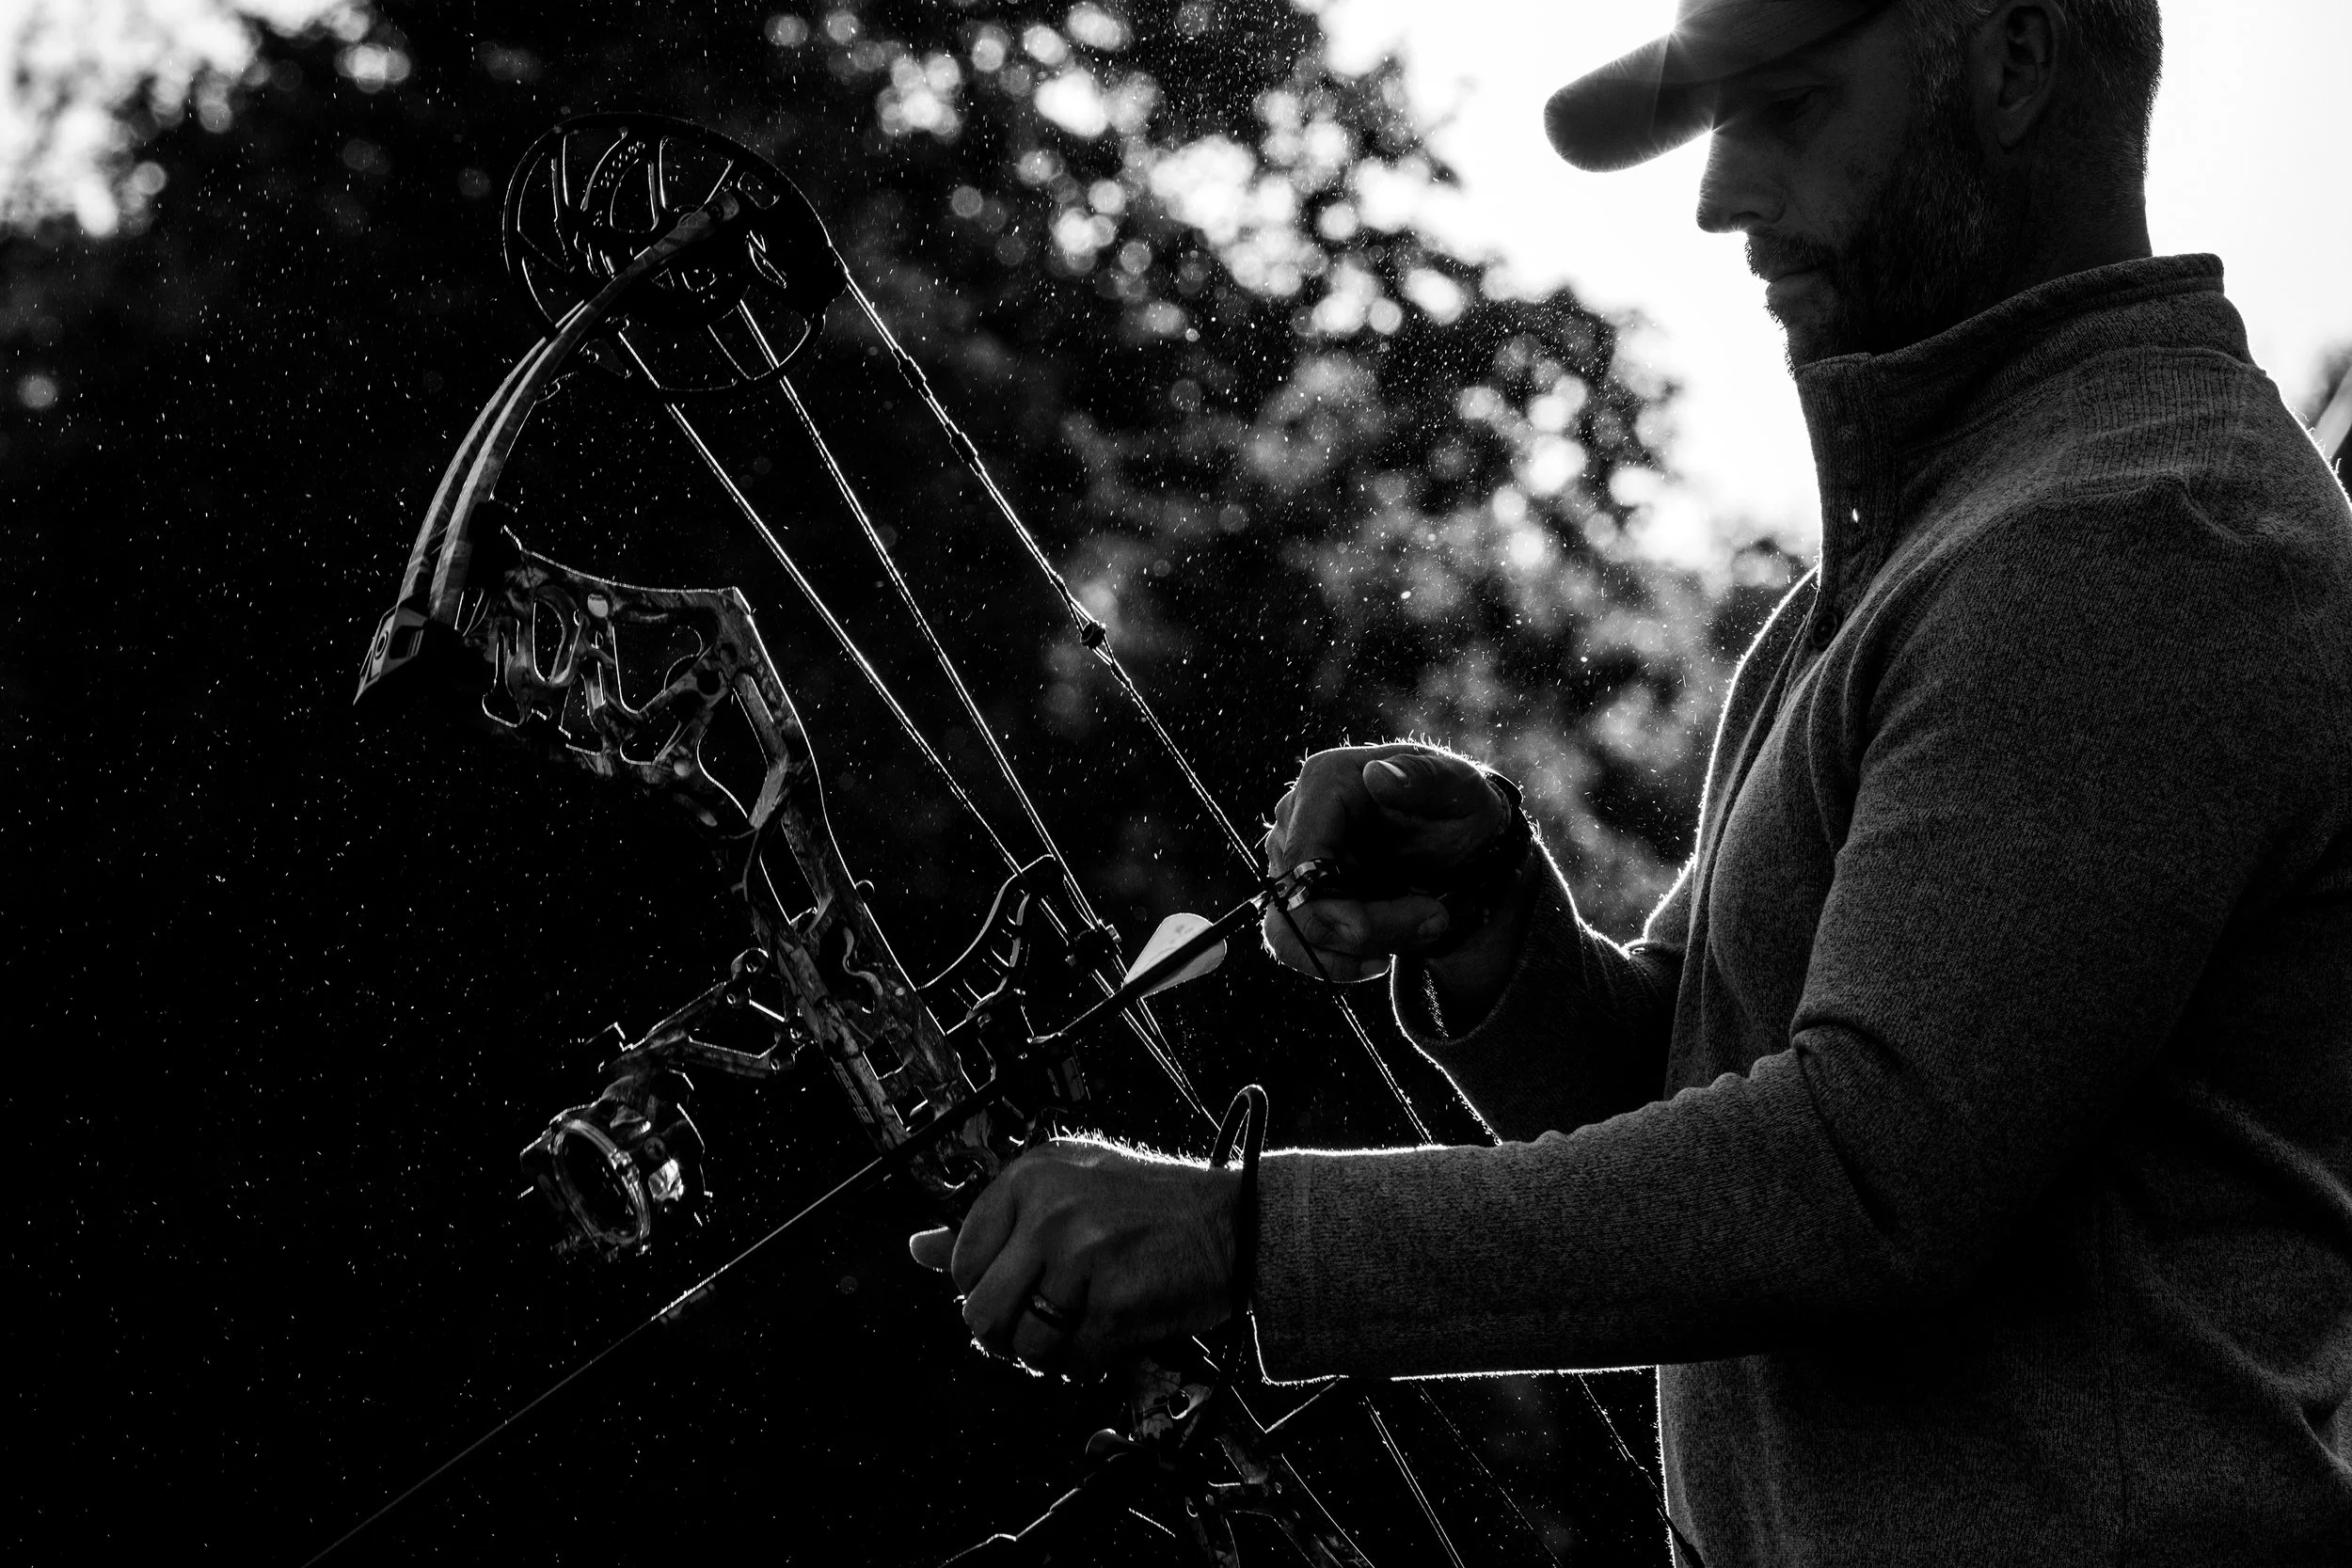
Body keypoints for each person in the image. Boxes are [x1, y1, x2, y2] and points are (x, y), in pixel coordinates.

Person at [912, 1, 2352, 1560]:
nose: (1719, 194)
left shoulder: (2139, 537)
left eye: (1787, 106)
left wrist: (1239, 1231)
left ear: (2011, 62)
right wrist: (1499, 929)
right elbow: (1696, 1093)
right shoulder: (1909, 565)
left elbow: (1862, 1178)